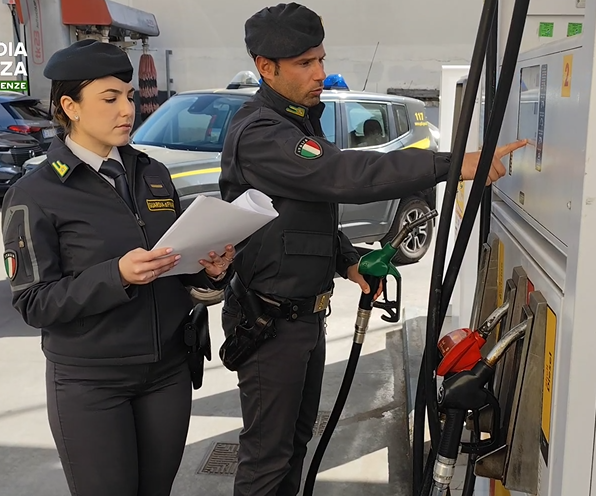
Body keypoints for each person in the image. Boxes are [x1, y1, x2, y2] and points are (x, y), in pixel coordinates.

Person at [218, 3, 528, 496]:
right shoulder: (261, 132)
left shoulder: (300, 120)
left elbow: (297, 216)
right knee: (267, 460)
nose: (320, 73)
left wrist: (348, 259)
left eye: (321, 58)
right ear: (265, 67)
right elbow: (344, 175)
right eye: (305, 64)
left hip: (302, 320)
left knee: (293, 447)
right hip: (270, 326)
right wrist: (456, 164)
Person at [0, 39, 234, 496]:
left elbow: (176, 262)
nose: (127, 108)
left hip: (167, 371)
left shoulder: (153, 174)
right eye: (109, 99)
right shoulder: (36, 193)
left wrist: (211, 269)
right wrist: (117, 275)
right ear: (70, 106)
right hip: (91, 383)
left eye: (128, 95)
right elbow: (33, 302)